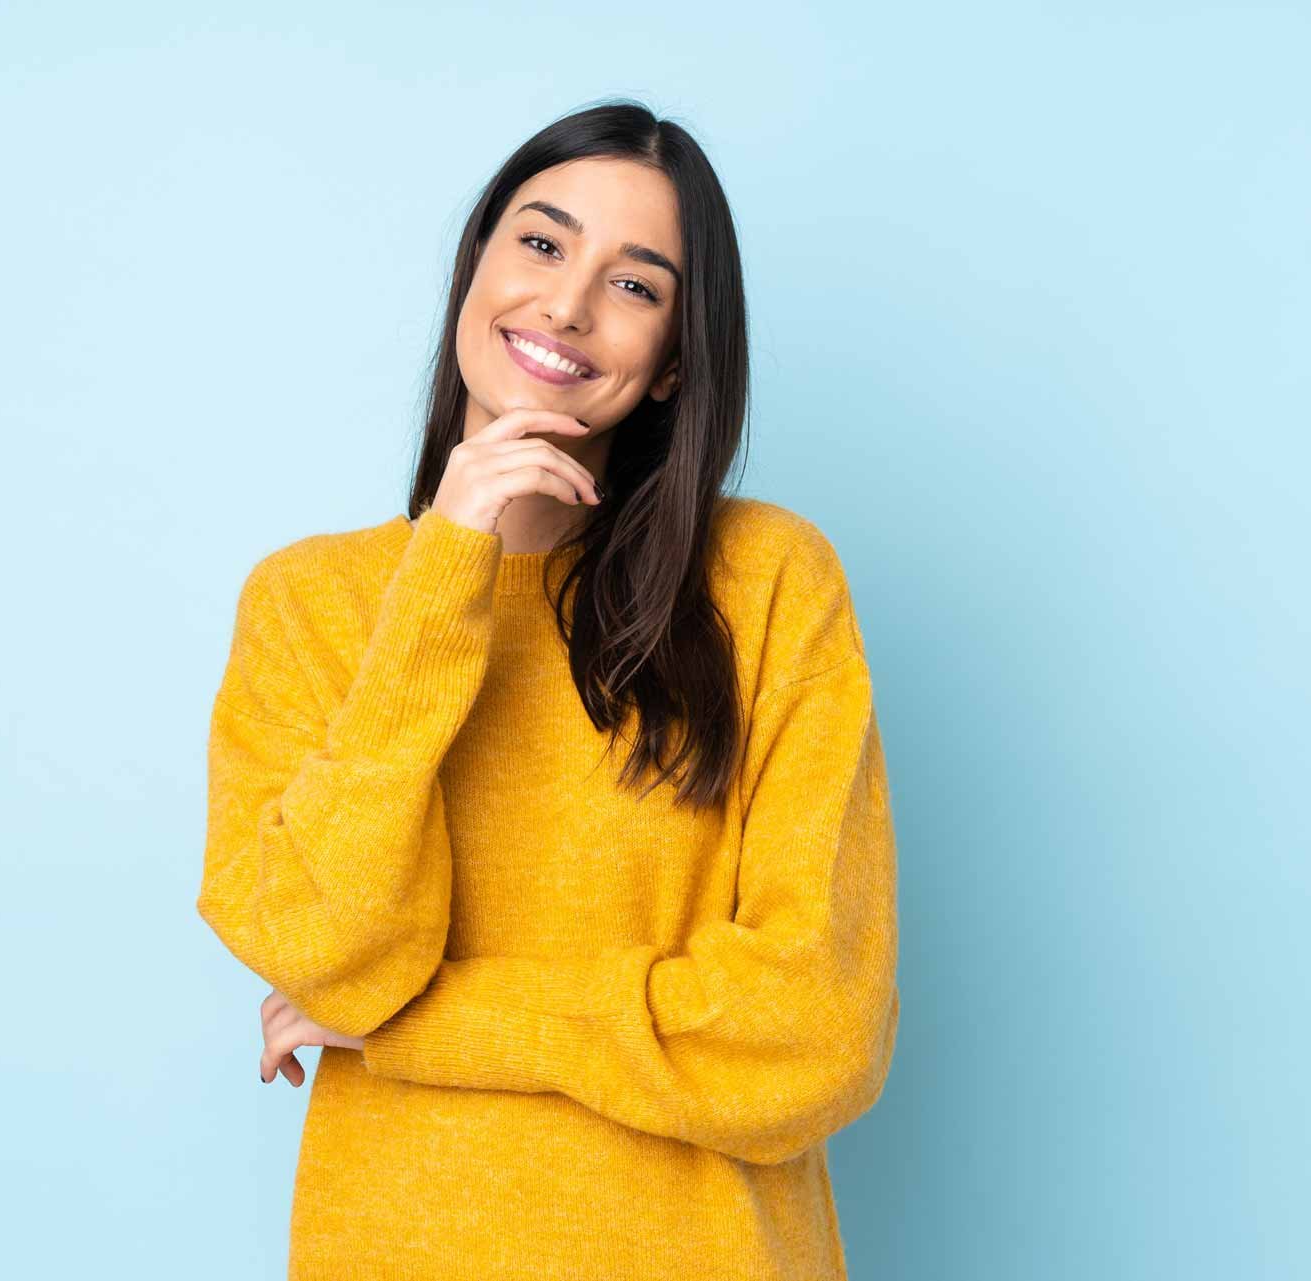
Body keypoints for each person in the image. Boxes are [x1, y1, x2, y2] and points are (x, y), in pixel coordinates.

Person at [197, 98, 900, 1280]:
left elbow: (813, 1034)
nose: (567, 304)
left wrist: (430, 1023)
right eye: (540, 242)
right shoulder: (310, 603)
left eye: (636, 284)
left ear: (676, 360)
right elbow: (331, 954)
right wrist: (444, 575)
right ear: (476, 263)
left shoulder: (765, 582)